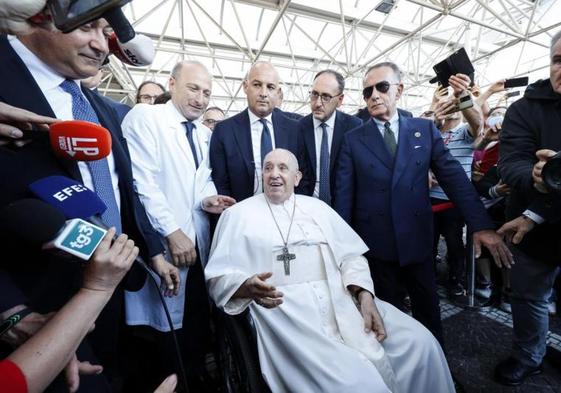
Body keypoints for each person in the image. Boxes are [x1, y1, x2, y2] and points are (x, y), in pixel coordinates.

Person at [0, 18, 169, 391]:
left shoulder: (99, 108)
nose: (101, 45)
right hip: (33, 315)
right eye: (87, 27)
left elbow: (122, 190)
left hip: (108, 294)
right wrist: (9, 312)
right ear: (37, 17)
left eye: (105, 31)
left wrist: (151, 252)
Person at [205, 148, 455, 393]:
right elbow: (218, 277)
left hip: (343, 298)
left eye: (283, 168)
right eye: (268, 167)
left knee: (421, 345)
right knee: (356, 383)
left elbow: (351, 256)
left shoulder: (317, 207)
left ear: (297, 177)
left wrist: (364, 293)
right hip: (286, 313)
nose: (274, 174)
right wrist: (246, 286)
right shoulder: (237, 215)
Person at [333, 61, 512, 344]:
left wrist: (481, 224)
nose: (374, 96)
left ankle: (436, 374)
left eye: (382, 87)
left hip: (418, 244)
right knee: (386, 321)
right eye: (367, 92)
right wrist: (343, 254)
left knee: (428, 313)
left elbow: (454, 179)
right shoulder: (353, 139)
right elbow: (344, 197)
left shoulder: (423, 130)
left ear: (399, 90)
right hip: (377, 249)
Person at [122, 60, 235, 391]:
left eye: (207, 93)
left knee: (195, 327)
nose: (201, 99)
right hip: (160, 243)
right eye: (193, 88)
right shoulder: (146, 118)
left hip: (198, 246)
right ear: (172, 84)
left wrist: (208, 200)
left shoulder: (202, 133)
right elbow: (141, 182)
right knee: (160, 338)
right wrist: (170, 231)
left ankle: (193, 379)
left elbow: (202, 180)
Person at [493, 29, 561, 386]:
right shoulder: (525, 108)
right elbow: (510, 162)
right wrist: (537, 176)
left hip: (535, 217)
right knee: (529, 297)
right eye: (558, 59)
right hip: (532, 233)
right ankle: (530, 356)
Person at [209, 61, 304, 202]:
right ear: (245, 86)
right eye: (257, 85)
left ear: (278, 93)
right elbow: (220, 182)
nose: (263, 93)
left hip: (285, 215)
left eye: (270, 87)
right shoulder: (224, 131)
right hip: (241, 214)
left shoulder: (295, 129)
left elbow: (303, 177)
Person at [430, 75, 484, 297]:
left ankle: (455, 281)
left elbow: (477, 123)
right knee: (428, 245)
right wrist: (434, 105)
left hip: (453, 203)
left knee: (454, 245)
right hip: (429, 201)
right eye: (447, 104)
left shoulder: (464, 132)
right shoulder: (431, 133)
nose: (450, 107)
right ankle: (430, 280)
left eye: (454, 105)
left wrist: (461, 96)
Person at [298, 69, 362, 205]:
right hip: (307, 205)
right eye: (314, 95)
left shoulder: (354, 127)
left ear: (340, 100)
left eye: (326, 97)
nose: (317, 103)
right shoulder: (299, 128)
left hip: (343, 207)